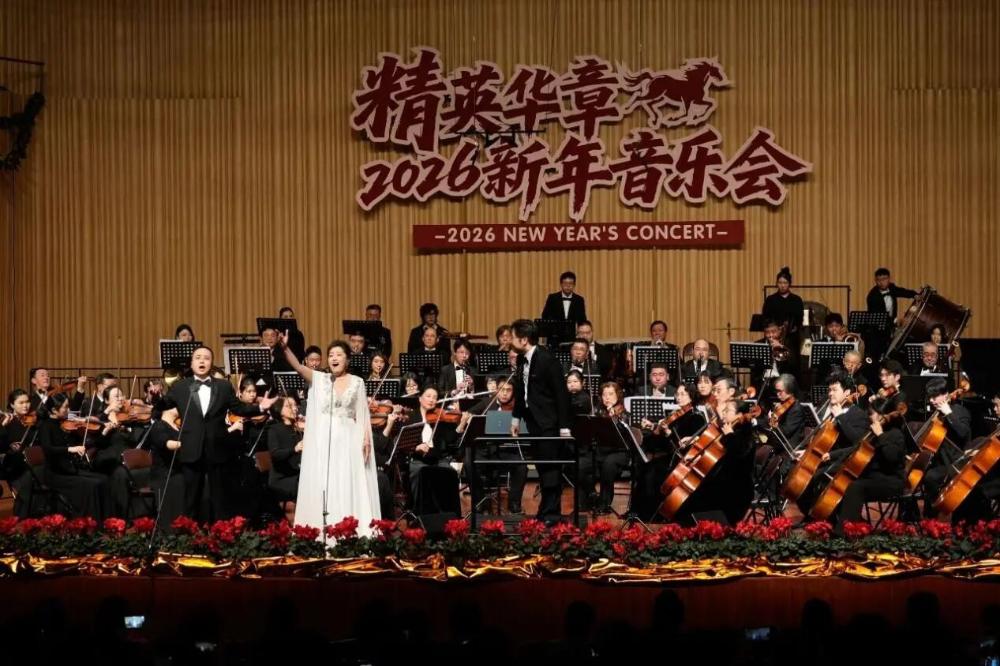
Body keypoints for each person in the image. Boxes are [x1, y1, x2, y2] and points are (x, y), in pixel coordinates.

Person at [276, 333, 380, 537]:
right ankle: (324, 531)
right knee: (327, 482)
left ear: (347, 359)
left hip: (349, 439)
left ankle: (350, 530)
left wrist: (366, 439)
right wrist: (285, 348)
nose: (334, 358)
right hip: (324, 440)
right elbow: (298, 367)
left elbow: (362, 415)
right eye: (331, 355)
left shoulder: (357, 382)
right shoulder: (320, 379)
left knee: (347, 482)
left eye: (339, 354)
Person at [165, 345, 276, 522]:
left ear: (211, 363)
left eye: (206, 358)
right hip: (191, 449)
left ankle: (221, 533)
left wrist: (261, 407)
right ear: (191, 363)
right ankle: (188, 535)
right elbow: (163, 407)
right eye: (198, 358)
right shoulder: (180, 387)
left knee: (220, 499)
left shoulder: (224, 386)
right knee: (191, 499)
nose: (202, 361)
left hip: (217, 448)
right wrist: (155, 399)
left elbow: (238, 408)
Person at [510, 319, 572, 524]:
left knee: (550, 469)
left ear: (524, 339)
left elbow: (561, 394)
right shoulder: (522, 359)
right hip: (533, 423)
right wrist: (516, 418)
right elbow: (521, 391)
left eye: (513, 337)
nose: (510, 340)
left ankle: (551, 514)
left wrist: (564, 427)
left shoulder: (547, 359)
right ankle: (545, 511)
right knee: (541, 467)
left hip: (549, 423)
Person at [36, 392, 112, 520]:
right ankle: (90, 523)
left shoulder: (63, 424)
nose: (69, 410)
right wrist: (70, 449)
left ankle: (108, 521)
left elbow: (83, 443)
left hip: (69, 469)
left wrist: (102, 431)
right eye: (66, 407)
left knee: (104, 479)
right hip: (55, 474)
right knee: (92, 485)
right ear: (54, 410)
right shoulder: (46, 426)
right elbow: (48, 449)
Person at [761, 266, 804, 350]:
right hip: (773, 336)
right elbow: (766, 318)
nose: (782, 285)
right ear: (777, 283)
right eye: (780, 282)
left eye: (785, 283)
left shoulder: (797, 300)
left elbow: (799, 320)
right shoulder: (770, 299)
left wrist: (789, 329)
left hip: (792, 338)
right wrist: (776, 330)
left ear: (789, 284)